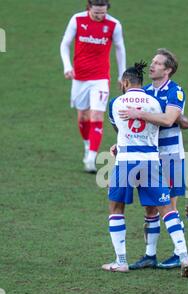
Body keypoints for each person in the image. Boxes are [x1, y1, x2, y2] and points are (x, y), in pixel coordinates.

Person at [102, 61, 188, 277]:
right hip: (152, 161)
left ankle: (121, 261)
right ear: (141, 83)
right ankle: (184, 256)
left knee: (116, 209)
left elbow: (118, 128)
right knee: (167, 209)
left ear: (125, 82)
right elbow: (166, 122)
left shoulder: (116, 102)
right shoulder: (155, 103)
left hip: (126, 161)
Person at [60, 0, 126, 173]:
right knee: (83, 116)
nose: (99, 16)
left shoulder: (114, 25)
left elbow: (120, 49)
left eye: (102, 13)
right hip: (79, 78)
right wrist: (67, 66)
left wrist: (122, 74)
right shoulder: (77, 20)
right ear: (89, 8)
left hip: (100, 78)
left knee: (96, 114)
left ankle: (91, 157)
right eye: (96, 13)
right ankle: (87, 144)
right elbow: (64, 44)